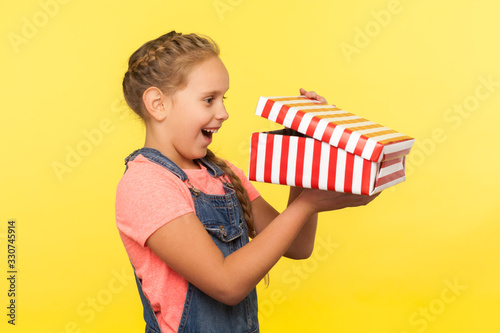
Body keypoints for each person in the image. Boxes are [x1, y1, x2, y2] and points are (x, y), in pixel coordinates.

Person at [116, 31, 379, 333]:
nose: (224, 113)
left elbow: (298, 245)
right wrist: (307, 203)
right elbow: (226, 284)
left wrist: (305, 148)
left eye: (223, 98)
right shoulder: (147, 185)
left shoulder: (223, 174)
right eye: (209, 100)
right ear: (157, 104)